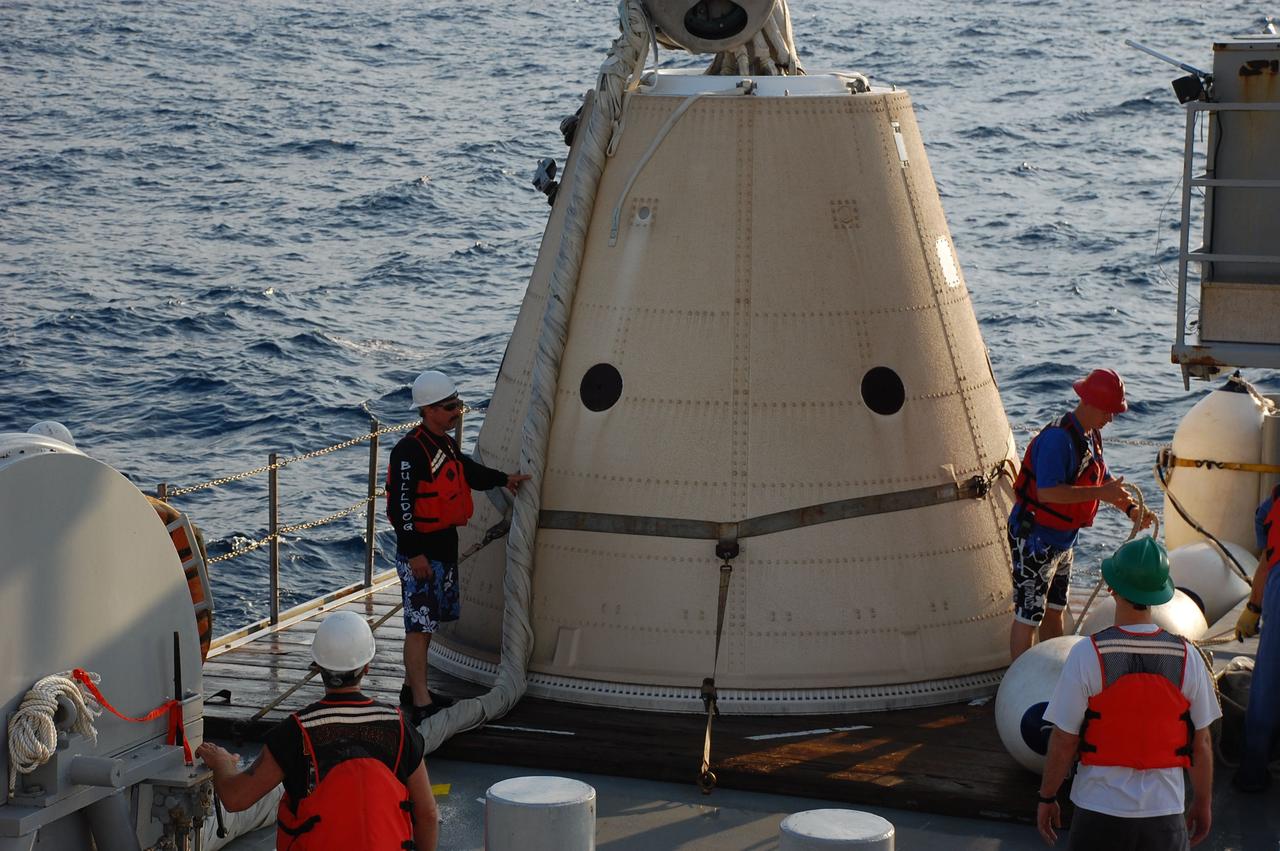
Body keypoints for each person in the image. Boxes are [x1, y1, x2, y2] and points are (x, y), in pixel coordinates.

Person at [196, 611, 439, 850]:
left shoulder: (295, 732)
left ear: (318, 666)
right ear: (367, 667)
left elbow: (236, 798)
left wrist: (222, 763)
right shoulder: (398, 726)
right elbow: (427, 814)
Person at [1035, 538, 1219, 849]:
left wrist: (1047, 796)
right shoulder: (1188, 657)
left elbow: (1064, 739)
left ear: (1112, 588)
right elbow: (1200, 742)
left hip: (1098, 812)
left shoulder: (1087, 655)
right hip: (1165, 814)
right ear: (1159, 595)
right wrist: (1202, 802)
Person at [387, 369, 529, 723]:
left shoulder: (445, 445)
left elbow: (467, 471)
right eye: (450, 406)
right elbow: (400, 507)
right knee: (418, 628)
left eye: (458, 404)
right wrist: (415, 552)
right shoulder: (409, 451)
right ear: (429, 410)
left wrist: (503, 480)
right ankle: (421, 701)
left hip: (443, 547)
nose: (457, 411)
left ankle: (412, 687)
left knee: (429, 623)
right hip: (421, 553)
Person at [1008, 368, 1155, 661]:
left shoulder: (1090, 435)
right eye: (1107, 411)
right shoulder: (1057, 440)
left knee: (1055, 609)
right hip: (1035, 538)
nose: (1111, 418)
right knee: (1028, 615)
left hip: (1064, 540)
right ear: (1087, 402)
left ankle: (1053, 671)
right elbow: (1047, 493)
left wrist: (1129, 508)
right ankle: (1019, 679)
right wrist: (1102, 494)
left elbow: (1100, 478)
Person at [1232, 482, 1279, 792]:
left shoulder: (1273, 503)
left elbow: (1267, 556)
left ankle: (1253, 768)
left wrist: (1253, 607)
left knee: (1269, 681)